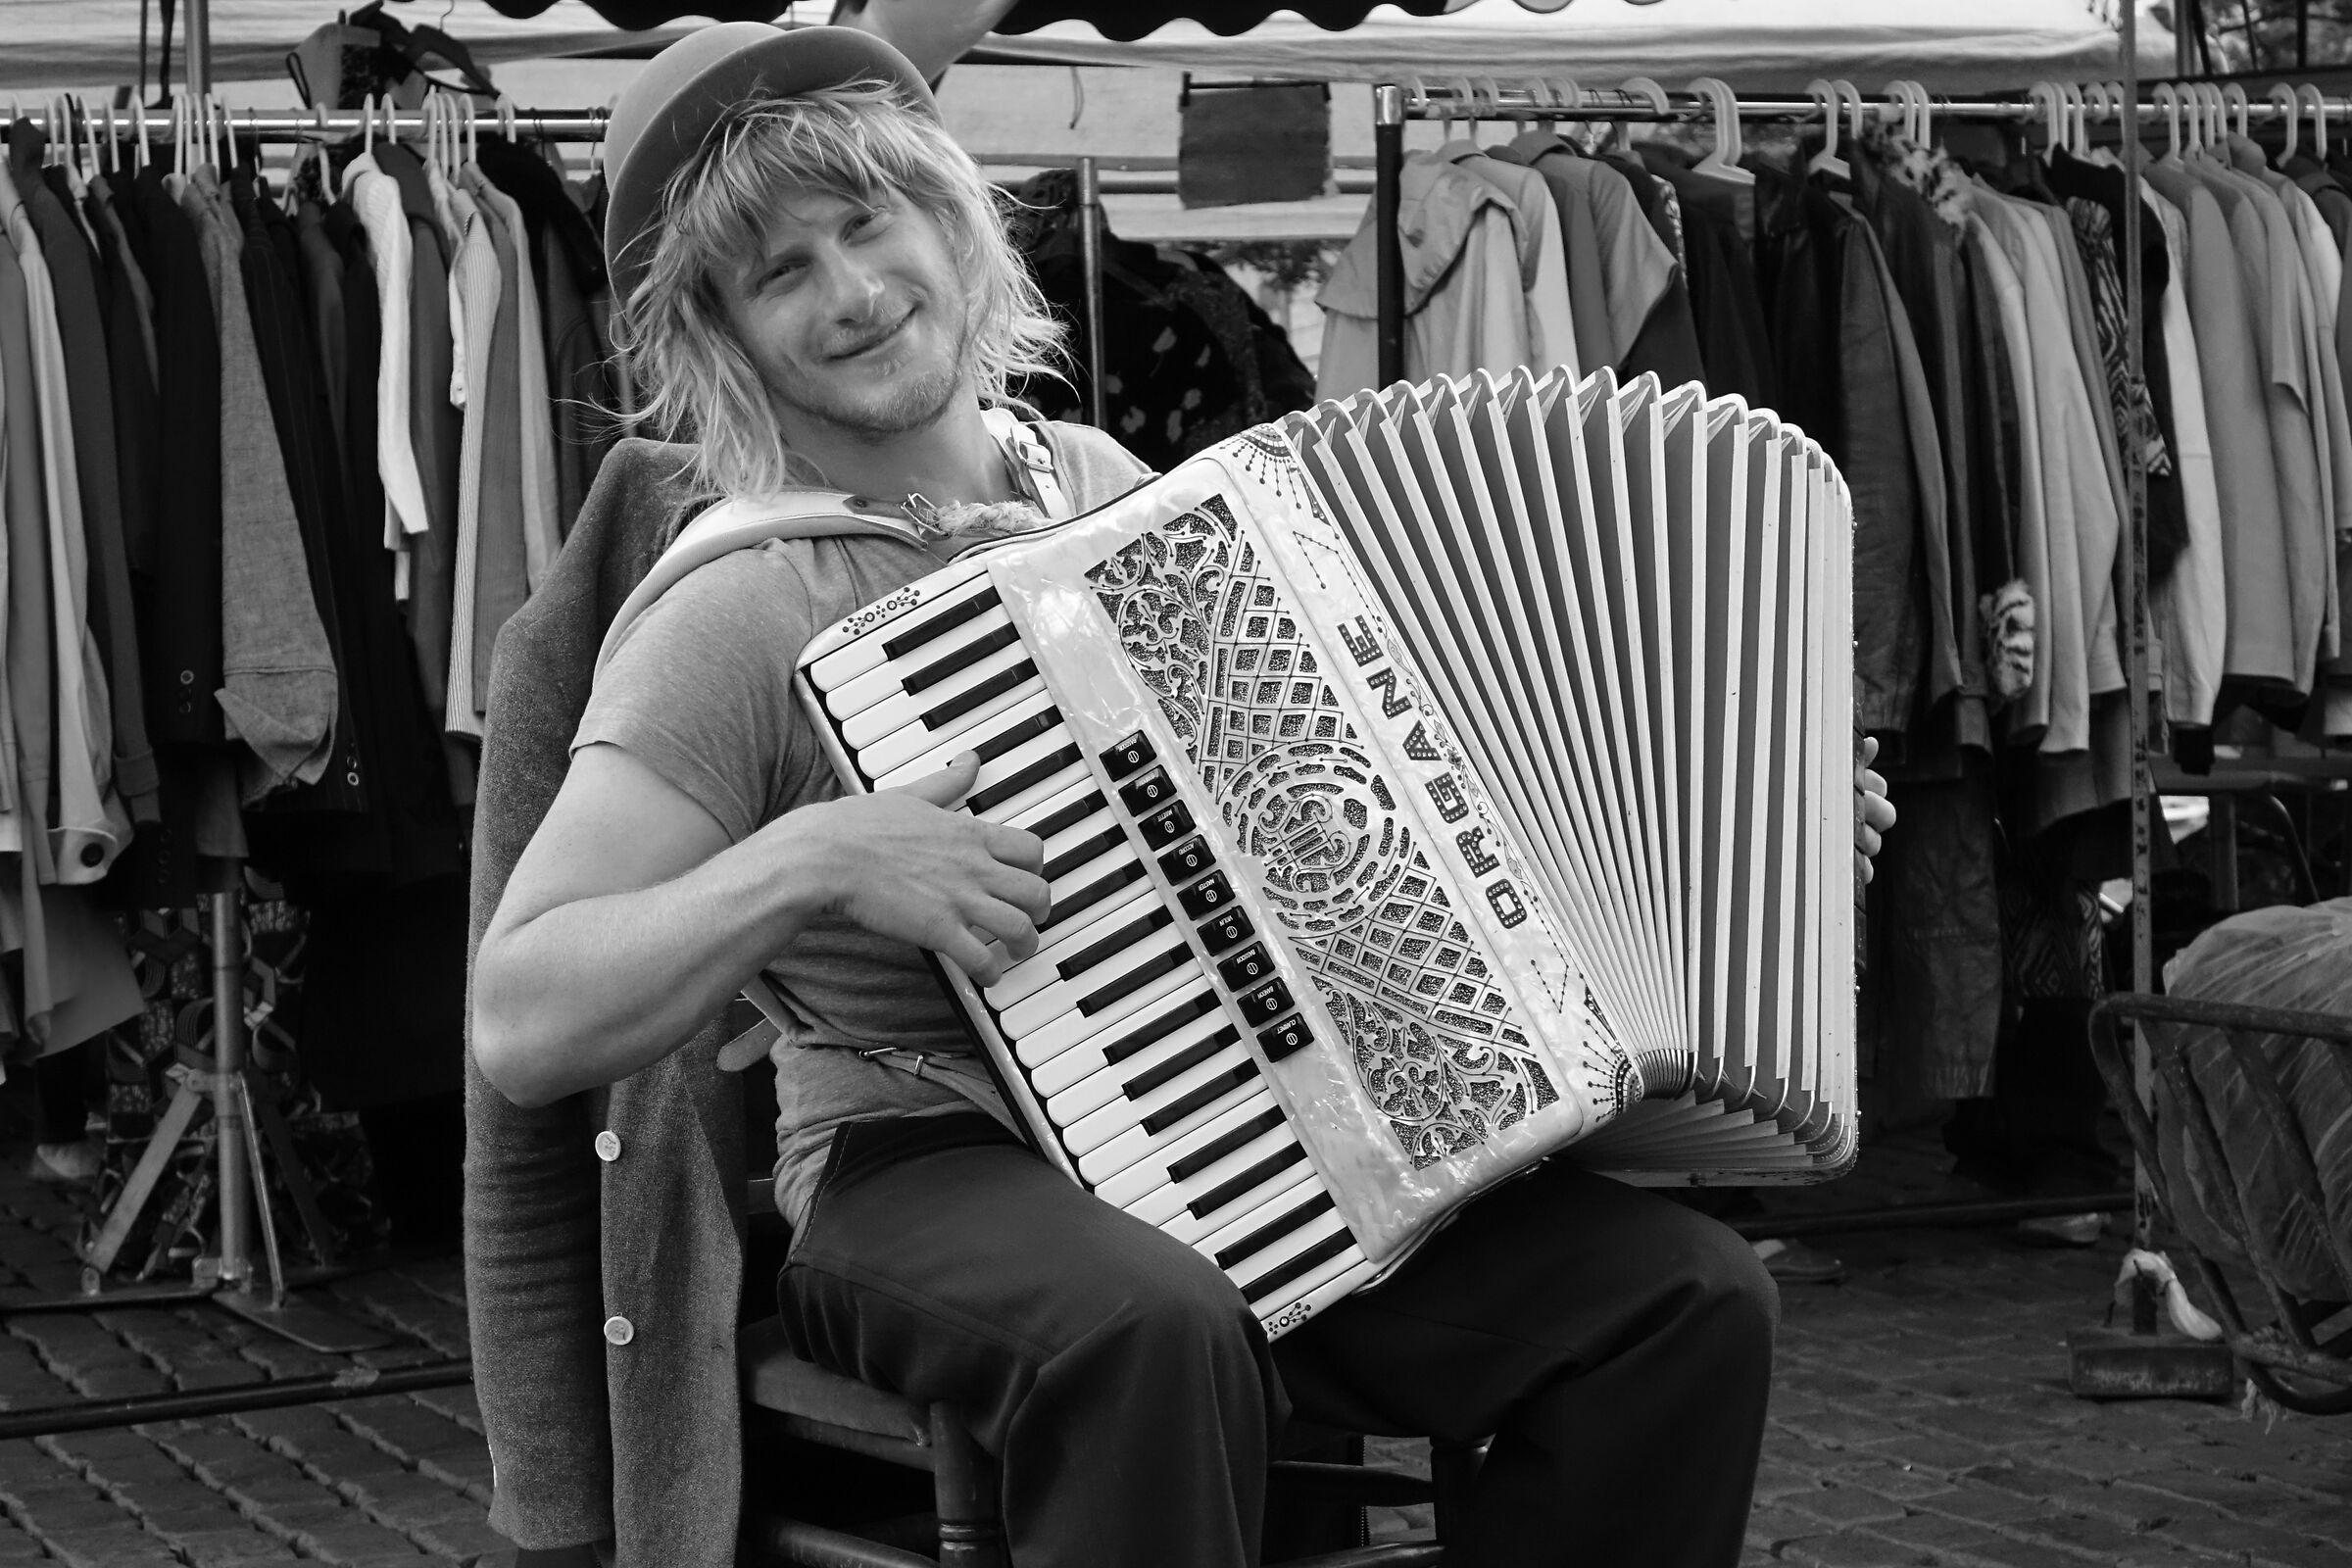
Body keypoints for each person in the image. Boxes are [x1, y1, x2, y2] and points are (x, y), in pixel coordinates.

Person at [471, 25, 1897, 1568]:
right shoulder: (737, 610)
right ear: (724, 338)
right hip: (920, 1163)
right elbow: (523, 1015)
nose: (854, 292)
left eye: (868, 225)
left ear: (949, 221)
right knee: (1151, 1325)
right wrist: (809, 861)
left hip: (1252, 1139)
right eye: (779, 273)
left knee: (1684, 1298)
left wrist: (1765, 849)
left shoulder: (1101, 485)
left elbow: (1352, 806)